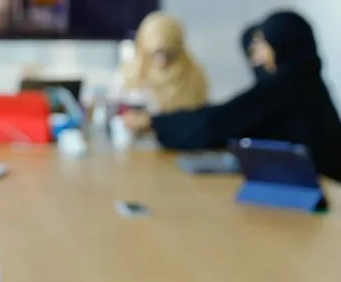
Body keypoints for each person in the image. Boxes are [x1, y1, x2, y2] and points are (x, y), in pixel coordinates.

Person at [123, 10, 341, 181]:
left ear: (280, 45)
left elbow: (217, 124)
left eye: (263, 45)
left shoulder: (286, 87)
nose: (257, 57)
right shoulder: (305, 82)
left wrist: (154, 122)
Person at [120, 11, 208, 113]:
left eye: (169, 54)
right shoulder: (128, 77)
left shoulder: (194, 78)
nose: (162, 62)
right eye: (155, 54)